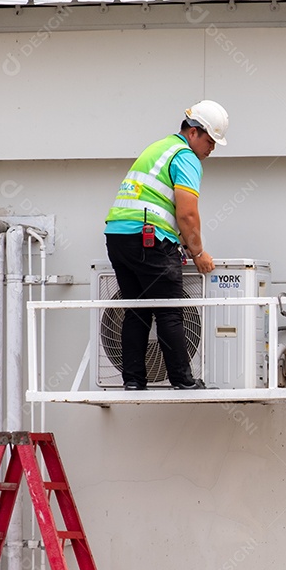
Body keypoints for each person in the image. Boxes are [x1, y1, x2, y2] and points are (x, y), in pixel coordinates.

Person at [104, 100, 228, 390]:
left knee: (137, 309)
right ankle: (182, 380)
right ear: (194, 132)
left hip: (118, 238)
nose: (211, 149)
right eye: (210, 141)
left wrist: (184, 244)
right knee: (169, 310)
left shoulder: (158, 148)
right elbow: (186, 213)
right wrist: (197, 253)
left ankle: (133, 380)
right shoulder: (185, 157)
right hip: (149, 240)